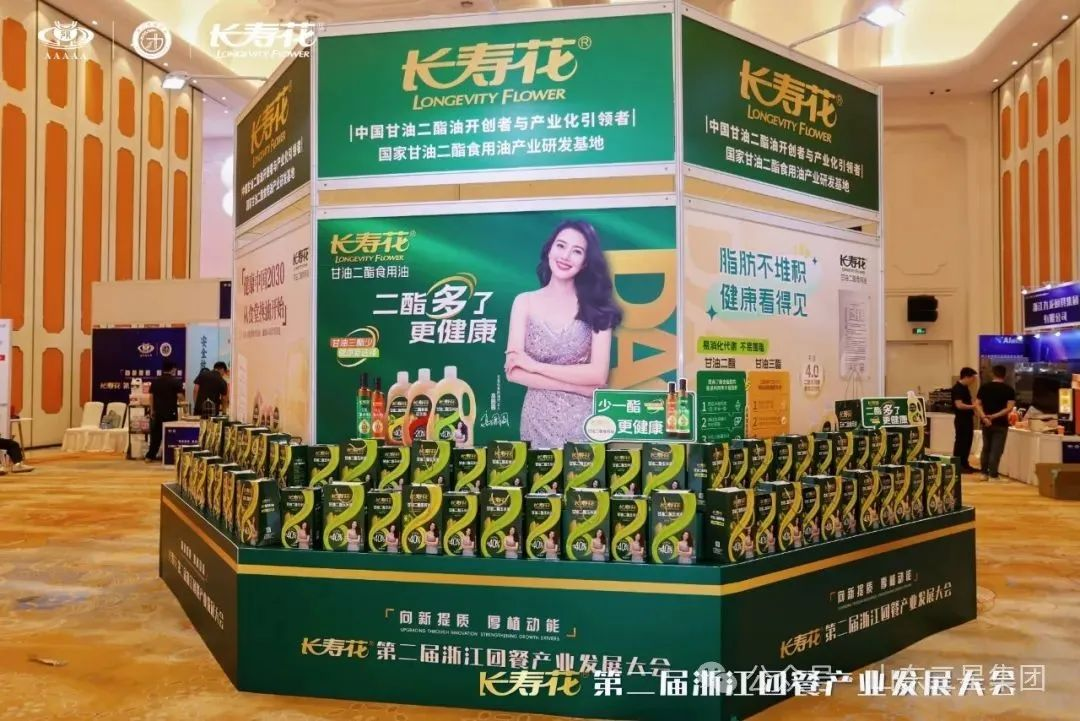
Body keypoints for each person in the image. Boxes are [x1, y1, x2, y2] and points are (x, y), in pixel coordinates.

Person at [505, 220, 621, 447]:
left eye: (577, 251)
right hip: (536, 420)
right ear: (549, 249)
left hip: (583, 423)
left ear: (585, 262)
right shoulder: (524, 302)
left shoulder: (598, 307)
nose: (566, 256)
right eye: (561, 246)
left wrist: (534, 366)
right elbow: (514, 372)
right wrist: (579, 388)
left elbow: (598, 375)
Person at [976, 364, 1017, 480]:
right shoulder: (1009, 390)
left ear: (993, 374)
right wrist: (994, 416)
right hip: (1001, 423)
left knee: (986, 448)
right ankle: (993, 474)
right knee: (996, 450)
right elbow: (1009, 408)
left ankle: (983, 473)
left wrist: (984, 417)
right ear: (1005, 375)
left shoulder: (984, 387)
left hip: (986, 423)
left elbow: (977, 404)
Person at [146, 362, 185, 463]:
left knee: (156, 435)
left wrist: (152, 410)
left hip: (158, 412)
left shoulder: (155, 381)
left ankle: (149, 456)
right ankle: (170, 457)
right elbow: (180, 396)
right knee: (171, 434)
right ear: (173, 369)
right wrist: (185, 403)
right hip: (170, 412)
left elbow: (151, 397)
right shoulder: (175, 381)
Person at [951, 367, 979, 473]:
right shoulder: (957, 388)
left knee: (967, 442)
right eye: (972, 378)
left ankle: (965, 464)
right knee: (961, 442)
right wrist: (973, 406)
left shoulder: (965, 388)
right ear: (966, 377)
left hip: (967, 418)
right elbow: (959, 405)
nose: (973, 381)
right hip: (961, 419)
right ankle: (958, 465)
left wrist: (974, 411)